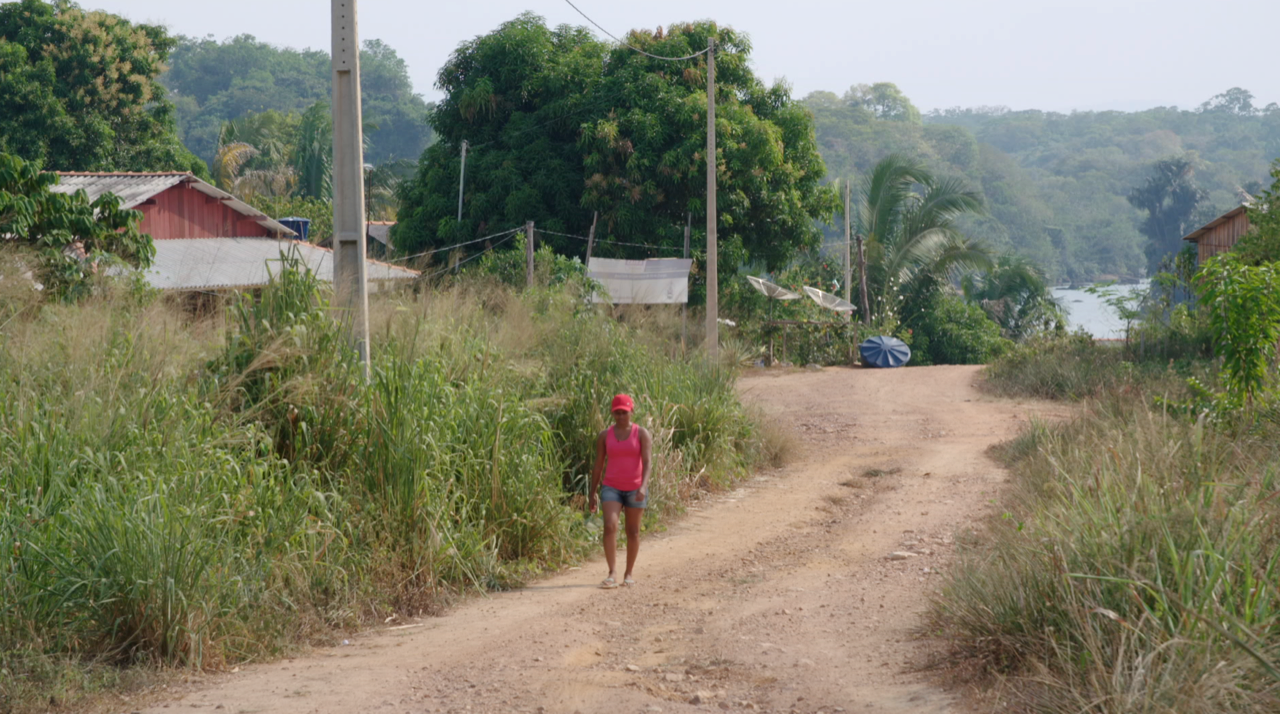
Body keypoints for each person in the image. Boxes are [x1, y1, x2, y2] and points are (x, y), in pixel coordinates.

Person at [588, 393, 652, 589]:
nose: (621, 416)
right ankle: (612, 572)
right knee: (610, 526)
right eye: (617, 413)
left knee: (632, 531)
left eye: (624, 412)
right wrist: (592, 493)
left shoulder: (641, 434)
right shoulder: (604, 435)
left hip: (635, 488)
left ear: (631, 411)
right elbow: (598, 465)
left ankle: (629, 573)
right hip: (611, 487)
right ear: (612, 413)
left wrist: (643, 486)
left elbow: (648, 463)